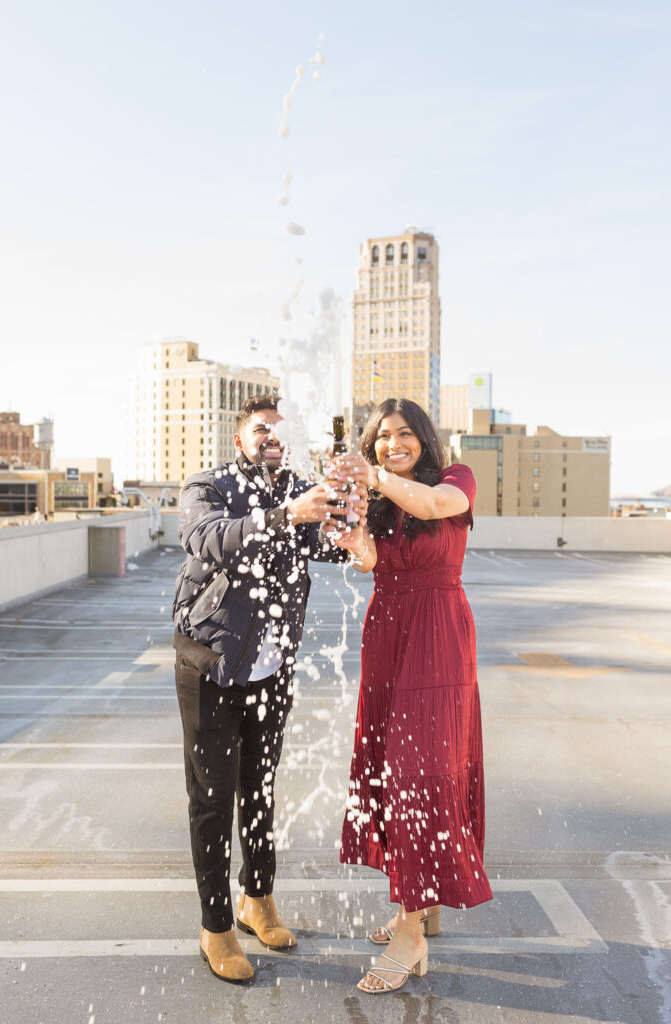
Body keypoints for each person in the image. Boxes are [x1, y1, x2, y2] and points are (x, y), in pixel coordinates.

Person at [172, 395, 362, 983]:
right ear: (240, 439)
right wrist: (286, 516)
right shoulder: (207, 486)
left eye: (281, 431)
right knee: (212, 798)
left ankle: (258, 898)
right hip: (211, 662)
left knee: (260, 786)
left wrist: (348, 509)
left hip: (272, 668)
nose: (271, 438)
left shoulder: (300, 489)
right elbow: (207, 540)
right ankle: (216, 925)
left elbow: (336, 548)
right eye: (260, 430)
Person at [326, 397, 493, 994]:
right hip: (388, 637)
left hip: (439, 635)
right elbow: (372, 559)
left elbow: (436, 506)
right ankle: (422, 901)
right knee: (395, 774)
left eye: (403, 435)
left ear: (423, 437)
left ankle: (410, 931)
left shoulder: (454, 480)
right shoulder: (380, 498)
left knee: (421, 773)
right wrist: (348, 525)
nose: (392, 443)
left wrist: (374, 478)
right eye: (381, 438)